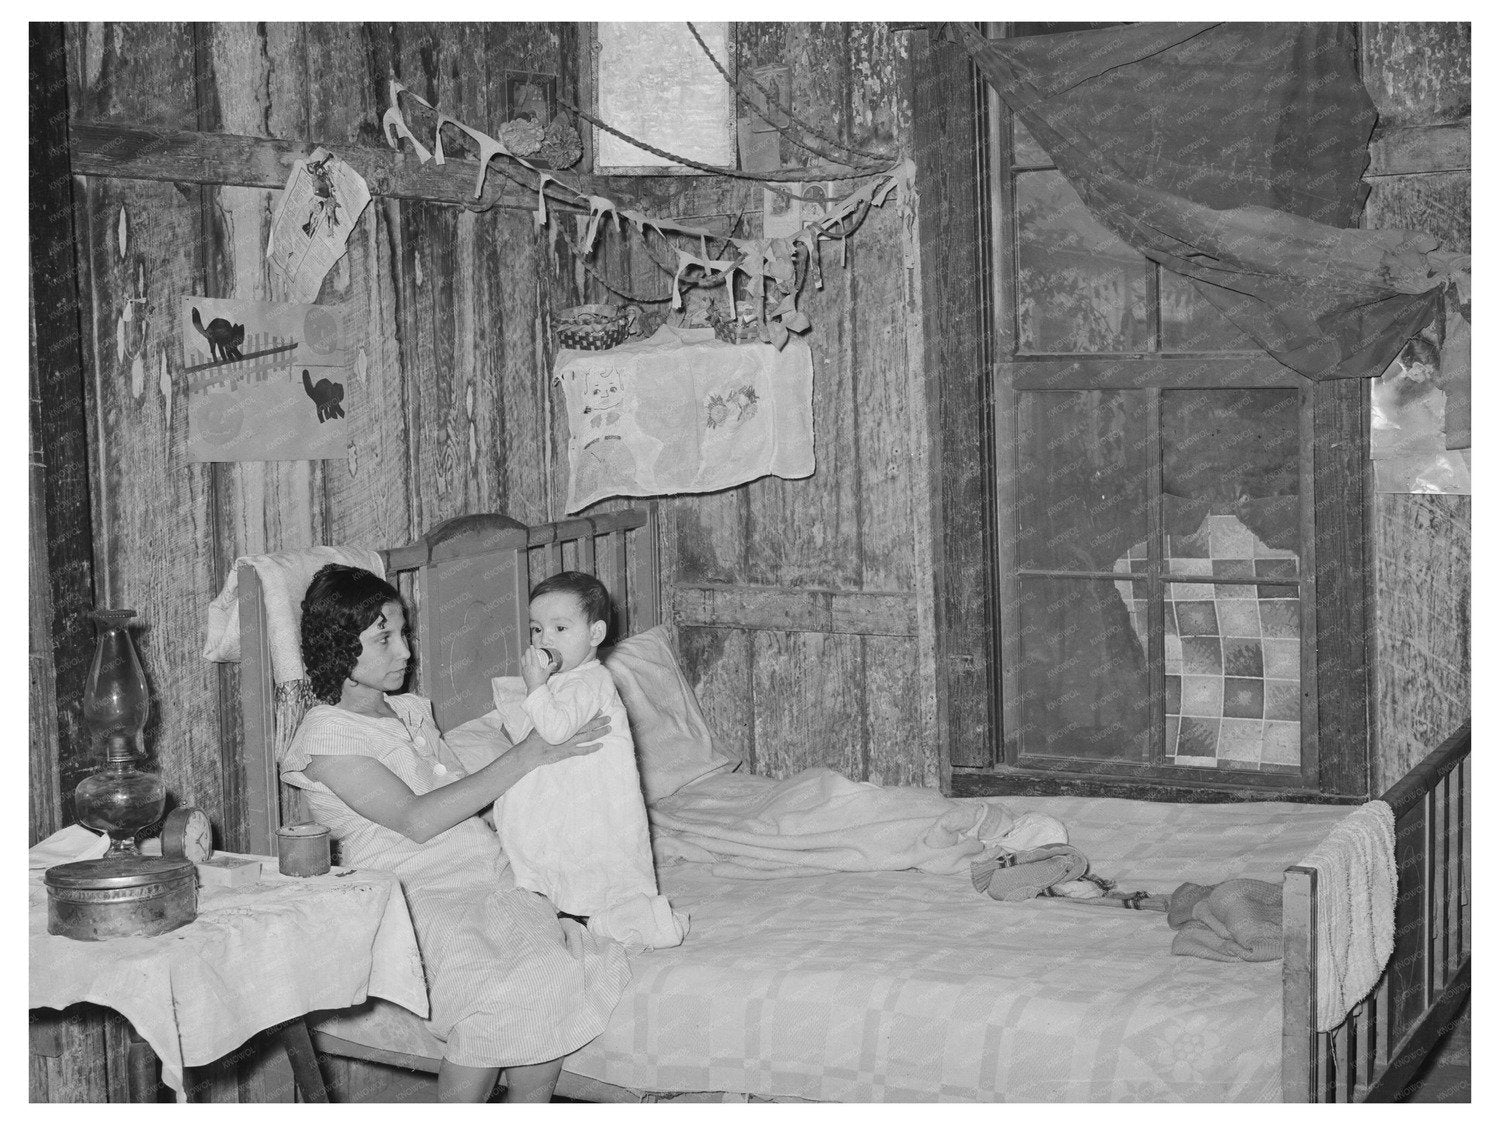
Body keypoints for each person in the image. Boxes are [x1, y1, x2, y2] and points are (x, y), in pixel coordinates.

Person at [281, 563, 630, 1103]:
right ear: (338, 648)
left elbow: (467, 793)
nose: (405, 653)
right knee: (509, 989)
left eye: (404, 634)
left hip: (482, 872)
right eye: (385, 639)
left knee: (553, 968)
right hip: (410, 895)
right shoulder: (328, 736)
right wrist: (531, 752)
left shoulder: (410, 713)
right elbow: (417, 820)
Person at [493, 571, 686, 950]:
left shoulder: (590, 680)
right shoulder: (564, 679)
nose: (544, 639)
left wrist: (533, 687)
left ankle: (611, 916)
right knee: (571, 857)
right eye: (536, 629)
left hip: (595, 800)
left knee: (599, 859)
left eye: (560, 628)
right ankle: (574, 911)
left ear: (595, 635)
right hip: (572, 796)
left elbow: (555, 729)